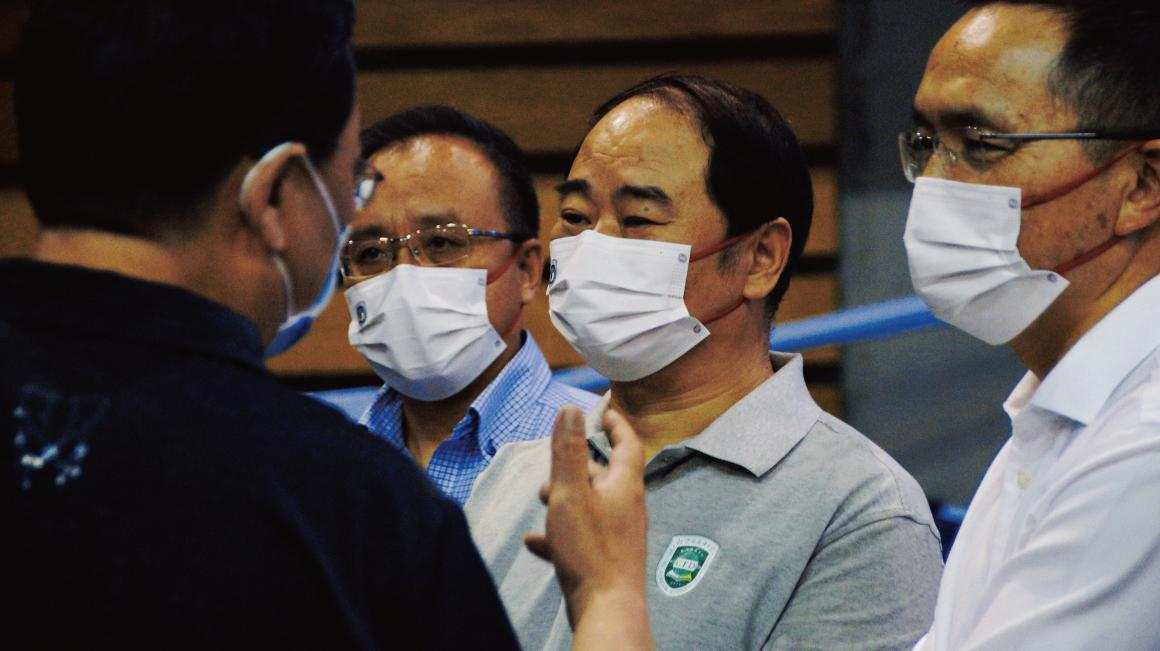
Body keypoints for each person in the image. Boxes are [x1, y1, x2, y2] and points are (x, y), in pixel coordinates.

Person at [3, 2, 646, 648]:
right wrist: (609, 600)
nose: (404, 272)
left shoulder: (614, 462)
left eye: (442, 243)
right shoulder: (349, 502)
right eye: (354, 199)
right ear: (275, 194)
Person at [466, 73, 944, 651]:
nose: (593, 246)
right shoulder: (511, 478)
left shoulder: (860, 512)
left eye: (639, 219)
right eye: (574, 216)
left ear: (760, 258)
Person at [900, 1, 1160, 648]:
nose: (932, 182)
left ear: (1142, 185)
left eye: (981, 143)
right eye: (926, 143)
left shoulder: (1146, 442)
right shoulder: (1057, 416)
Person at [342, 106, 598, 505]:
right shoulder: (320, 464)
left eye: (441, 243)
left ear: (527, 270)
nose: (402, 276)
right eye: (371, 253)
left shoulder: (604, 449)